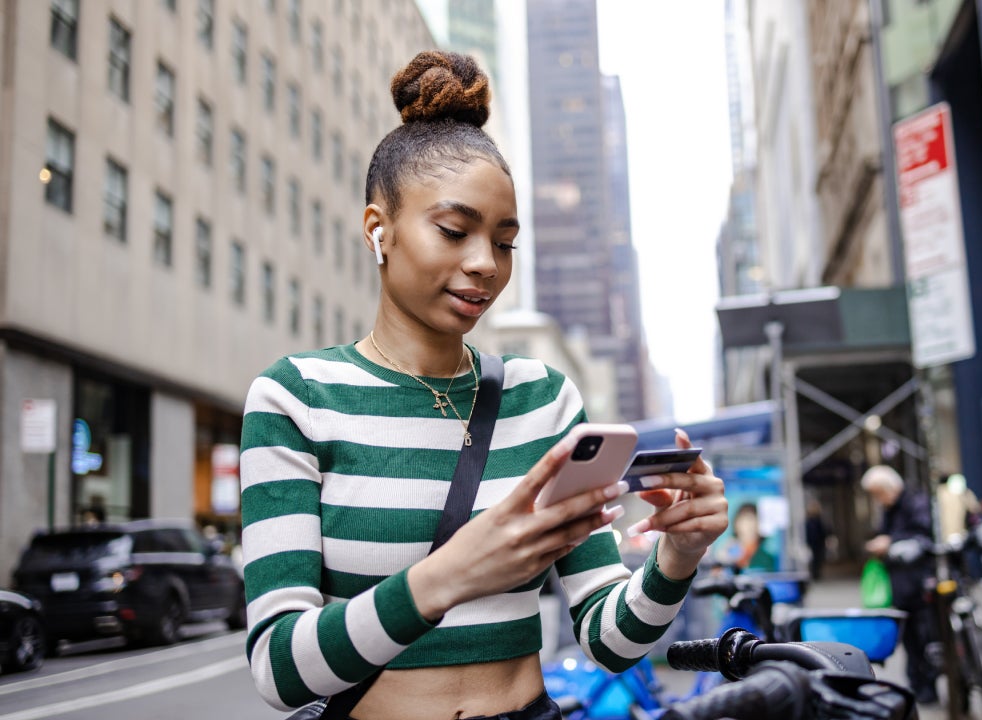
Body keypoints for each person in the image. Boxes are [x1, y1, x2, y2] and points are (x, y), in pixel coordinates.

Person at [238, 51, 729, 720]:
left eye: (504, 242)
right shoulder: (296, 397)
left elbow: (609, 641)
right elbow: (278, 667)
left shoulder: (544, 398)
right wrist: (449, 576)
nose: (484, 266)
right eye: (453, 230)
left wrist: (678, 553)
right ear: (377, 229)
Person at [862, 465, 939, 705]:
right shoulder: (890, 508)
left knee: (924, 635)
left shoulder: (915, 501)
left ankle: (928, 685)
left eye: (878, 493)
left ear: (889, 487)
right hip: (900, 586)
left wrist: (891, 542)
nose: (878, 499)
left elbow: (923, 535)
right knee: (909, 638)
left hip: (919, 582)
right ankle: (917, 684)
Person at [720, 502, 777, 571]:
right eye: (744, 521)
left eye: (752, 521)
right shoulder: (727, 550)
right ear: (736, 525)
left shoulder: (768, 559)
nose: (748, 527)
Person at [803, 498, 830, 580]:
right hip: (814, 542)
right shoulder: (812, 521)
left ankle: (816, 573)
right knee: (815, 559)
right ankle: (815, 573)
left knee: (817, 559)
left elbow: (823, 531)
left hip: (816, 542)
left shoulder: (816, 520)